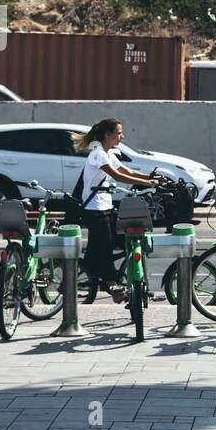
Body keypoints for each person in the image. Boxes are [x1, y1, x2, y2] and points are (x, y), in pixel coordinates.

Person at [76, 118, 157, 303]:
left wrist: (151, 176)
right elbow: (117, 175)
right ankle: (112, 285)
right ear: (108, 135)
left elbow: (127, 170)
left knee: (116, 240)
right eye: (119, 133)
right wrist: (147, 183)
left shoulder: (108, 153)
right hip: (94, 209)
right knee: (105, 248)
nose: (122, 136)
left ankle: (91, 269)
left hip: (104, 207)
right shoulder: (98, 154)